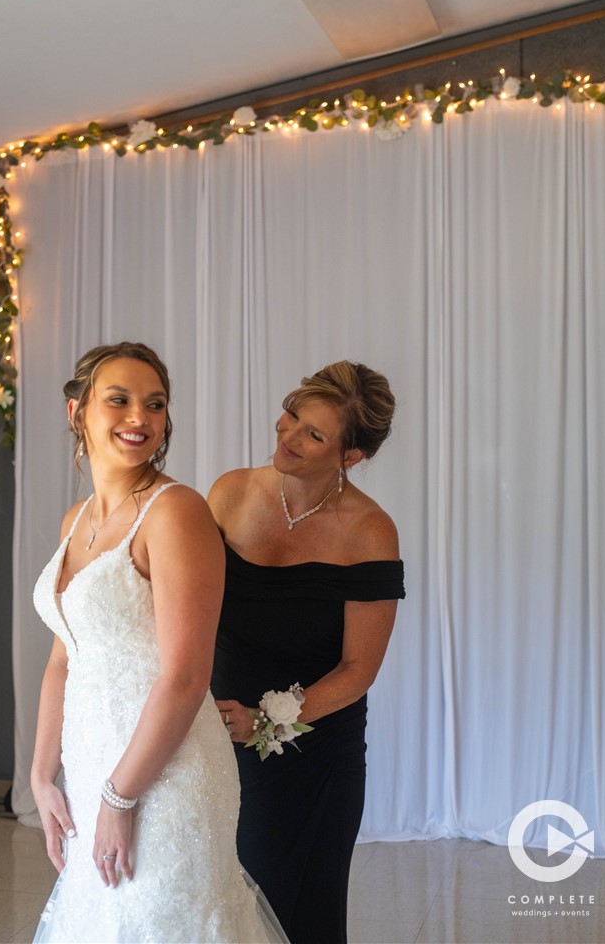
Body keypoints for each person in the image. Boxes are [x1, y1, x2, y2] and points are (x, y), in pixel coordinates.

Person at [31, 342, 286, 944]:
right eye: (118, 400)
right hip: (92, 771)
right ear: (77, 412)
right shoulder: (77, 520)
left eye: (155, 404)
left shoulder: (176, 513)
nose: (139, 418)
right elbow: (63, 658)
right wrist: (43, 778)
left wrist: (120, 800)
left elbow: (184, 676)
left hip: (165, 780)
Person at [210, 360, 405, 944]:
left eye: (313, 434)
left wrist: (264, 722)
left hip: (314, 754)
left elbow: (358, 670)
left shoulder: (370, 532)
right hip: (217, 737)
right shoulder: (230, 492)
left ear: (350, 456)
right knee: (220, 908)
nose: (288, 436)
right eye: (292, 417)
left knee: (299, 915)